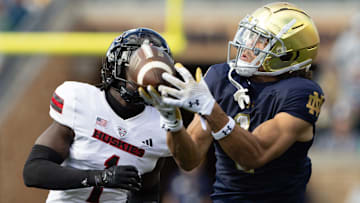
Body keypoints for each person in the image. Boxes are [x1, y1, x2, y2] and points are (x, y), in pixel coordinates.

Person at [140, 2, 325, 203]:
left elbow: (255, 155)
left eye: (262, 39)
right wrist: (172, 124)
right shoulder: (221, 78)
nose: (248, 43)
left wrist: (211, 109)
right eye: (250, 34)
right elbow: (189, 159)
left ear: (288, 55)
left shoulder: (301, 92)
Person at [23, 28, 173, 203]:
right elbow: (34, 171)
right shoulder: (80, 100)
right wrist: (100, 177)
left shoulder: (160, 125)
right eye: (137, 64)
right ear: (117, 65)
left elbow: (146, 192)